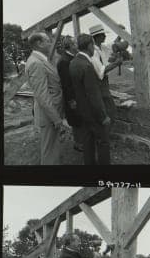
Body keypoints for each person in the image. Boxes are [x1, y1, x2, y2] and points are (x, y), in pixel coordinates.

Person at [25, 32, 67, 165]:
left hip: (51, 113)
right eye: (48, 41)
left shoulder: (40, 60)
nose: (50, 43)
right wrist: (56, 119)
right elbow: (42, 95)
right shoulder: (36, 63)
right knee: (49, 153)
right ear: (39, 43)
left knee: (53, 149)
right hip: (49, 116)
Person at [69, 34, 111, 165]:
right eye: (93, 45)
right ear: (89, 46)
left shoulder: (73, 62)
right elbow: (94, 95)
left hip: (83, 111)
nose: (94, 48)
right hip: (94, 113)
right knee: (103, 142)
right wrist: (103, 116)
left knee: (87, 142)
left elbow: (77, 89)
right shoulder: (87, 65)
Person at [56, 36, 84, 153]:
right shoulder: (64, 61)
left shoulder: (71, 58)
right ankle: (78, 144)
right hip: (72, 97)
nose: (77, 46)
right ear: (71, 46)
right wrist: (71, 100)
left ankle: (81, 141)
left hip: (77, 95)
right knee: (76, 119)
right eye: (75, 44)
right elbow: (66, 83)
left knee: (79, 118)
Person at [89, 24, 121, 122]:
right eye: (103, 35)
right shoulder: (93, 52)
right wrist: (116, 63)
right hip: (98, 82)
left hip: (104, 81)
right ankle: (105, 130)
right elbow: (101, 71)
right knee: (109, 109)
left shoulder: (102, 47)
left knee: (108, 107)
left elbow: (113, 44)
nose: (105, 36)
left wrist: (120, 35)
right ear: (97, 37)